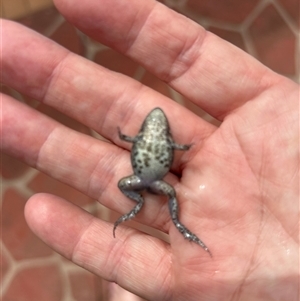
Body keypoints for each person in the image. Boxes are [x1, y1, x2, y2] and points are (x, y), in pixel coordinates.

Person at [1, 0, 299, 300]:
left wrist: (125, 137)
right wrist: (178, 145)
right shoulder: (168, 142)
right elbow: (174, 145)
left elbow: (132, 139)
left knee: (131, 187)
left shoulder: (143, 138)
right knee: (170, 196)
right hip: (154, 180)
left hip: (142, 179)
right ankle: (153, 215)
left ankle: (139, 208)